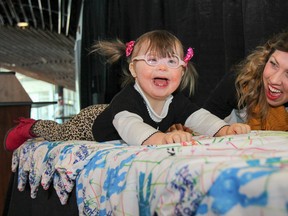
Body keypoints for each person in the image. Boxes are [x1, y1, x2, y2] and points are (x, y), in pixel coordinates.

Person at [4, 30, 250, 151]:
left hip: (112, 114)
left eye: (172, 62)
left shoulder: (177, 101)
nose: (163, 66)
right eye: (152, 61)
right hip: (92, 123)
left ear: (182, 72)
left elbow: (199, 117)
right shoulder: (128, 99)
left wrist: (224, 128)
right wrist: (160, 139)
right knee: (60, 132)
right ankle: (30, 126)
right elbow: (130, 127)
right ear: (133, 69)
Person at [203, 31, 288, 131]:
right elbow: (200, 126)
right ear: (266, 58)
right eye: (273, 64)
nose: (274, 80)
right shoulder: (242, 82)